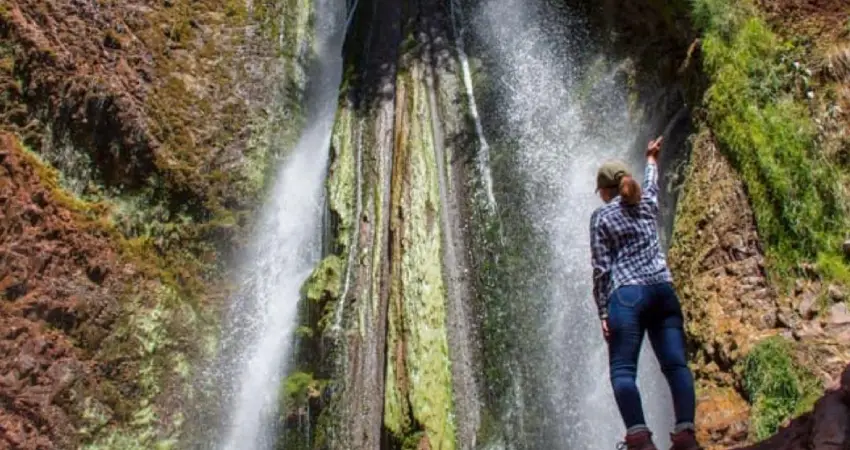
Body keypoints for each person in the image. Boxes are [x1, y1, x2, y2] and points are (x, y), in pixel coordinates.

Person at [589, 136, 701, 450]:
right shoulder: (647, 202)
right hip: (662, 291)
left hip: (627, 296)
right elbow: (651, 180)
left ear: (606, 190)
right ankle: (685, 434)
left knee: (623, 371)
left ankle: (639, 439)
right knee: (676, 365)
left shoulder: (601, 218)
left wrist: (602, 312)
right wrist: (651, 157)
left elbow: (601, 269)